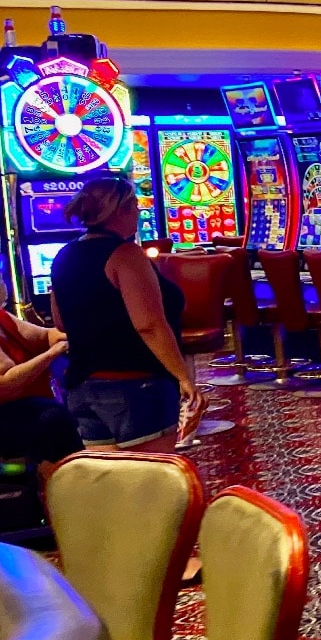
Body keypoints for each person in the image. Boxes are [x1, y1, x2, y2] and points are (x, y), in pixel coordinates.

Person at [51, 175, 205, 453]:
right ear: (118, 210)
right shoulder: (125, 254)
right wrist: (182, 375)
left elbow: (61, 321)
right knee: (150, 481)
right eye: (135, 205)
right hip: (135, 382)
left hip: (82, 385)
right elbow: (149, 324)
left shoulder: (64, 254)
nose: (138, 212)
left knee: (111, 483)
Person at [0, 257, 81, 476]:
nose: (5, 285)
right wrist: (50, 355)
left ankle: (68, 480)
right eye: (1, 280)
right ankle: (68, 485)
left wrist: (77, 338)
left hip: (5, 409)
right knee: (53, 419)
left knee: (55, 413)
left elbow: (42, 336)